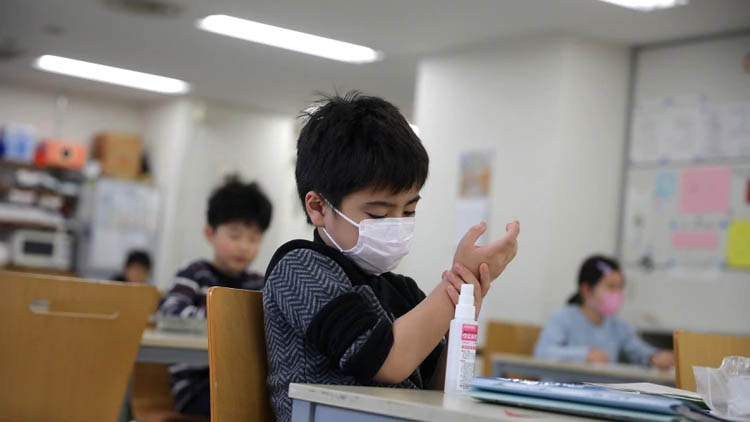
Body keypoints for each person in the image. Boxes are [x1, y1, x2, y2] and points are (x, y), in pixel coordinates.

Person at [263, 92, 520, 422]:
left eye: (409, 210)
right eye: (379, 214)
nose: (398, 225)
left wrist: (465, 298)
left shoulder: (401, 291)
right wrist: (452, 285)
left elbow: (437, 391)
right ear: (318, 207)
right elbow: (387, 361)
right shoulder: (300, 268)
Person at [158, 176, 272, 416]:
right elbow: (171, 314)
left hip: (245, 382)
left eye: (254, 238)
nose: (244, 246)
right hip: (196, 388)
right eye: (235, 236)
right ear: (210, 234)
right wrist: (233, 319)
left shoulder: (259, 283)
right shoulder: (194, 274)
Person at [534, 255, 674, 369]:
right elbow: (542, 353)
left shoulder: (617, 325)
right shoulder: (563, 317)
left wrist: (654, 357)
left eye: (620, 287)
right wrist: (585, 355)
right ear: (587, 290)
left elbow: (640, 351)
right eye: (611, 287)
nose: (618, 294)